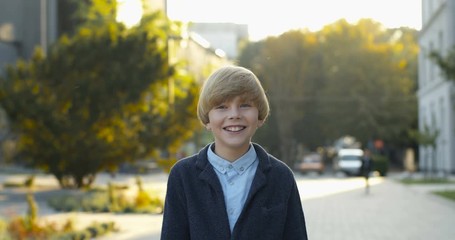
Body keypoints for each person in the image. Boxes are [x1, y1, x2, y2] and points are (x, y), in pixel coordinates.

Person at [160, 65, 308, 240]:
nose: (234, 114)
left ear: (259, 116)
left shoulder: (281, 176)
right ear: (207, 120)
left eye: (245, 105)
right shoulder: (183, 175)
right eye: (222, 107)